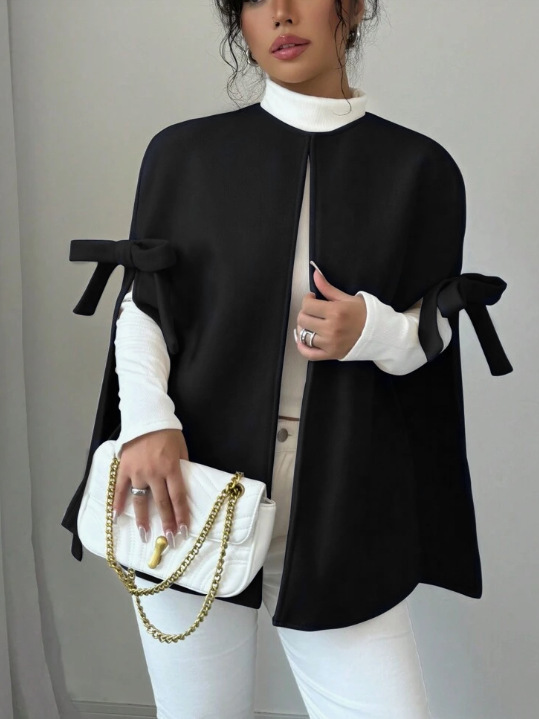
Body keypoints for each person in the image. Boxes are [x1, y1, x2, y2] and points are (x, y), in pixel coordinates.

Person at [62, 1, 512, 717]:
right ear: (237, 22)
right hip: (192, 487)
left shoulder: (419, 170)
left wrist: (370, 329)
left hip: (342, 502)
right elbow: (144, 305)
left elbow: (430, 338)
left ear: (352, 6)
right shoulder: (185, 155)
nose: (280, 13)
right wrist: (147, 420)